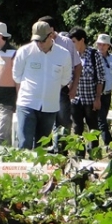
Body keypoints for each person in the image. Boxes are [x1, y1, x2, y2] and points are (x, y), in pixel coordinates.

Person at [12, 21, 72, 149]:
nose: (39, 44)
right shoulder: (24, 51)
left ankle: (37, 170)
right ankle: (23, 168)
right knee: (24, 143)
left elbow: (65, 79)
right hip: (27, 103)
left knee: (42, 146)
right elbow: (16, 75)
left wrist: (51, 88)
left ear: (51, 36)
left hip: (50, 107)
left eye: (42, 41)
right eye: (36, 40)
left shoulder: (64, 54)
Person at [39, 16, 82, 154]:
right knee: (45, 121)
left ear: (52, 29)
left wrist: (74, 87)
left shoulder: (66, 43)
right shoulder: (37, 41)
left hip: (61, 88)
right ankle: (46, 151)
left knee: (63, 121)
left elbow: (77, 66)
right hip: (43, 89)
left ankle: (62, 153)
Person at [69, 27, 105, 158]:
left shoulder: (94, 54)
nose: (72, 44)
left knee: (93, 128)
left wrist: (98, 98)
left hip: (90, 99)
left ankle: (94, 155)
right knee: (77, 128)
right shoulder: (71, 55)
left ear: (81, 40)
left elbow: (101, 78)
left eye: (73, 41)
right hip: (76, 99)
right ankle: (79, 155)